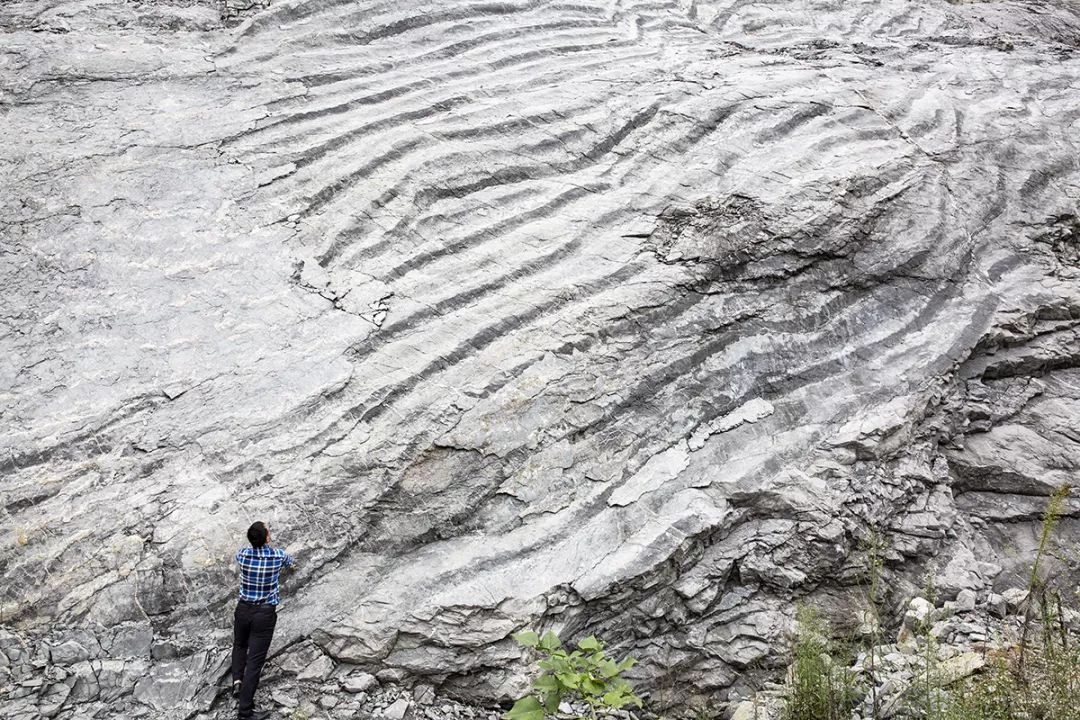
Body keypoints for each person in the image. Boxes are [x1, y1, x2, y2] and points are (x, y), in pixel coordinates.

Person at [231, 521, 294, 720]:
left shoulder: (242, 555)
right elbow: (290, 563)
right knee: (255, 662)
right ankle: (245, 712)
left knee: (240, 645)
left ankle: (237, 681)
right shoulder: (277, 556)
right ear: (267, 537)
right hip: (264, 614)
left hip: (242, 609)